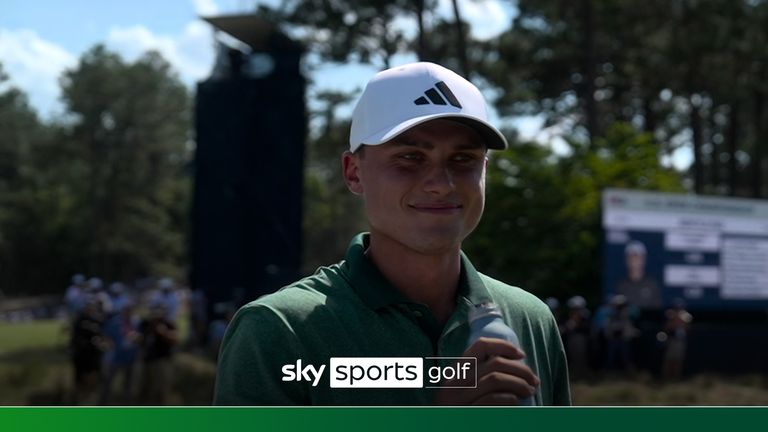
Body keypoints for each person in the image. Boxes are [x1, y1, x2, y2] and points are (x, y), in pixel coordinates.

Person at [214, 62, 571, 405]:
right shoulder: (278, 331)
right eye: (410, 157)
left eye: (463, 159)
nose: (441, 184)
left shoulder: (530, 319)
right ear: (353, 173)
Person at [615, 240, 662, 309]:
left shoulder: (652, 285)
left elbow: (657, 312)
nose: (634, 260)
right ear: (626, 260)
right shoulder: (621, 286)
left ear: (643, 259)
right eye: (631, 257)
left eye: (637, 257)